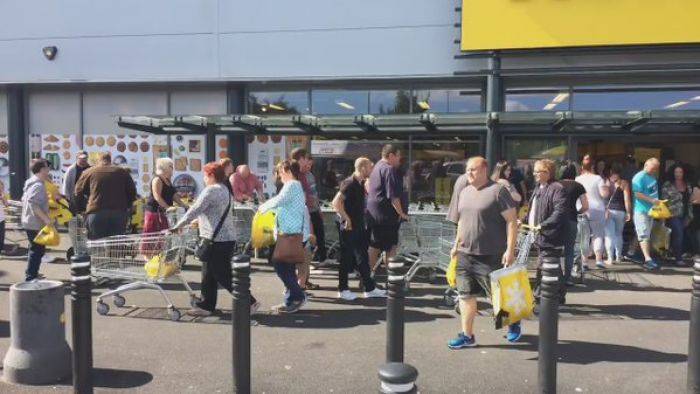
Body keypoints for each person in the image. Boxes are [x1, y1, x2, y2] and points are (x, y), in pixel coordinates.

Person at [446, 157, 518, 349]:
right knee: (465, 295)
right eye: (467, 170)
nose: (468, 173)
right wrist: (455, 245)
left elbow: (512, 220)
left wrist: (510, 250)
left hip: (490, 253)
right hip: (464, 253)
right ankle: (467, 336)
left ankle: (512, 321)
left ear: (484, 169)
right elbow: (461, 221)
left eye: (473, 169)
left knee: (497, 296)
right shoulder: (464, 191)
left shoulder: (498, 191)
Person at [171, 162, 260, 317]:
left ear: (211, 175)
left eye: (205, 175)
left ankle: (250, 301)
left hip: (215, 239)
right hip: (224, 238)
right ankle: (206, 305)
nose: (204, 179)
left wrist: (178, 225)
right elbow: (212, 212)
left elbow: (195, 209)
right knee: (209, 274)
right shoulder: (225, 189)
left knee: (221, 274)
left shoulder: (211, 190)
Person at [257, 159, 311, 314]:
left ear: (287, 171)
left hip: (291, 234)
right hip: (292, 234)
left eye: (280, 172)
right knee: (287, 268)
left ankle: (299, 297)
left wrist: (262, 208)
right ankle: (290, 300)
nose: (279, 175)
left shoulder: (292, 185)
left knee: (280, 266)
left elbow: (279, 201)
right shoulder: (295, 185)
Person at [332, 157, 386, 300]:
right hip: (349, 227)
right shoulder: (349, 183)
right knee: (346, 257)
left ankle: (370, 288)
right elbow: (336, 202)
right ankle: (343, 290)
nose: (372, 170)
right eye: (369, 167)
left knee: (362, 256)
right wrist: (347, 218)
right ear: (362, 168)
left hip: (359, 226)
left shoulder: (360, 184)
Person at [529, 159, 568, 303]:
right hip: (539, 234)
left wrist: (543, 225)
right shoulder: (539, 187)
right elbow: (535, 209)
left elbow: (560, 212)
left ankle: (542, 294)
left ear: (547, 172)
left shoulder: (557, 188)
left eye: (538, 171)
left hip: (550, 235)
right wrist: (526, 219)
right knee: (551, 265)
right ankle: (556, 293)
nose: (535, 174)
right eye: (535, 171)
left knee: (547, 264)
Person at [366, 144, 409, 273]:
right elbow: (393, 197)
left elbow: (368, 185)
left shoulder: (377, 166)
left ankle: (367, 276)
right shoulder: (389, 169)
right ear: (391, 156)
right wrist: (402, 213)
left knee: (376, 245)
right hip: (386, 216)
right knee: (389, 248)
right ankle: (390, 279)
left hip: (375, 214)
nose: (399, 159)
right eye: (398, 156)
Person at [74, 153, 137, 240]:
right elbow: (132, 192)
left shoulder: (89, 172)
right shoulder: (122, 172)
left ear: (98, 160)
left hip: (96, 212)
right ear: (110, 160)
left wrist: (80, 209)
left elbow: (77, 192)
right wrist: (128, 206)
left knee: (97, 245)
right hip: (118, 212)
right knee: (116, 245)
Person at [291, 148, 327, 271]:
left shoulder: (309, 175)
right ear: (299, 160)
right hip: (303, 211)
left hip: (312, 209)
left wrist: (318, 208)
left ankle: (316, 260)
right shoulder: (296, 176)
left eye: (310, 163)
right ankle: (304, 266)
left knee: (317, 234)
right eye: (305, 160)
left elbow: (313, 193)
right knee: (306, 237)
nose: (308, 164)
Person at [575, 154, 610, 269]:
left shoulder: (578, 179)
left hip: (582, 209)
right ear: (593, 166)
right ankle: (599, 260)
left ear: (582, 167)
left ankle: (584, 262)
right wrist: (607, 187)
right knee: (598, 235)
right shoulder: (598, 178)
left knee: (584, 236)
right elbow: (604, 194)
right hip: (597, 208)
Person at [21, 159, 52, 281]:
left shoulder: (31, 182)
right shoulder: (38, 185)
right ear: (42, 169)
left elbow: (25, 199)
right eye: (46, 167)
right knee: (37, 250)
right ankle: (31, 277)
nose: (48, 169)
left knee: (37, 250)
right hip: (34, 223)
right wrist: (46, 219)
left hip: (29, 221)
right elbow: (33, 204)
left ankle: (32, 273)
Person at [558, 162, 588, 286]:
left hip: (557, 220)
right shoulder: (578, 186)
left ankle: (556, 275)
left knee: (555, 249)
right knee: (570, 250)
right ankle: (568, 278)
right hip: (571, 219)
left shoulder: (555, 184)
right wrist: (577, 211)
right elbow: (585, 206)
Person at [143, 158, 187, 234]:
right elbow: (157, 196)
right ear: (165, 167)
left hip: (164, 214)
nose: (173, 168)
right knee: (152, 238)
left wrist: (184, 205)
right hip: (155, 213)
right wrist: (167, 207)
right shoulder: (157, 179)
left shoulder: (168, 180)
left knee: (164, 237)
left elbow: (174, 195)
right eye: (171, 166)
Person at [632, 157, 661, 270]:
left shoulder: (652, 176)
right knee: (644, 234)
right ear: (646, 165)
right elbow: (637, 194)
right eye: (653, 168)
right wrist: (652, 201)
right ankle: (647, 259)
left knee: (644, 233)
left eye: (656, 169)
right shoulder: (639, 177)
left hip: (651, 210)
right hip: (641, 210)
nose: (654, 171)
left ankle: (631, 252)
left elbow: (653, 193)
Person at [662, 164, 693, 266]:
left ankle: (670, 253)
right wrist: (665, 215)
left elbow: (689, 201)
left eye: (680, 172)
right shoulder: (668, 184)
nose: (678, 174)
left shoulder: (687, 184)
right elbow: (664, 201)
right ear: (673, 173)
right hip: (672, 214)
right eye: (676, 172)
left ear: (684, 173)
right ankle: (678, 258)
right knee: (679, 234)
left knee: (677, 235)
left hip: (685, 214)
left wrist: (690, 215)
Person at [604, 164, 632, 265]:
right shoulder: (624, 183)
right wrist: (629, 212)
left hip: (609, 211)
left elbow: (604, 197)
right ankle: (618, 257)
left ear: (611, 171)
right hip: (620, 211)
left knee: (609, 235)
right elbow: (627, 199)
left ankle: (610, 258)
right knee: (618, 234)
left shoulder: (607, 181)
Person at [0, 180, 6, 254]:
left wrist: (3, 196)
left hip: (1, 218)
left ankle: (1, 249)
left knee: (1, 235)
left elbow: (7, 204)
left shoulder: (2, 195)